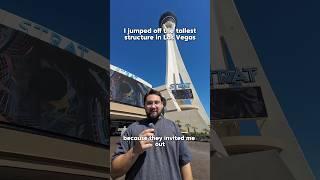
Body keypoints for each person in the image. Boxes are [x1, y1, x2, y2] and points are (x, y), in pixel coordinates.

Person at [111, 89, 193, 180]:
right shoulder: (131, 129)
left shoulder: (174, 127)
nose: (153, 106)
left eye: (156, 102)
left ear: (162, 105)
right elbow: (114, 172)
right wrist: (135, 151)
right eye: (149, 103)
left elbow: (185, 162)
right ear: (144, 106)